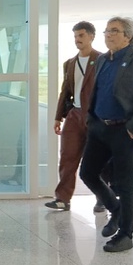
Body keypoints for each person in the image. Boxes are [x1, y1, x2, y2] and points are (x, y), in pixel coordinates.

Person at [80, 16, 133, 253]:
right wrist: (91, 120)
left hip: (124, 130)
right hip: (99, 127)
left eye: (114, 30)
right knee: (87, 173)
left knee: (125, 183)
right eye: (106, 30)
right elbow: (98, 92)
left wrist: (132, 127)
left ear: (129, 36)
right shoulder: (103, 60)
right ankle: (116, 209)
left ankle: (126, 234)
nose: (108, 34)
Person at [44, 21, 101, 212]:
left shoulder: (102, 60)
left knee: (98, 159)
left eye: (81, 35)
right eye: (75, 36)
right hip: (74, 115)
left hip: (95, 116)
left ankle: (103, 197)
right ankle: (62, 198)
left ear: (92, 36)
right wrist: (58, 117)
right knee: (67, 157)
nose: (77, 39)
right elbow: (65, 91)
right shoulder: (70, 63)